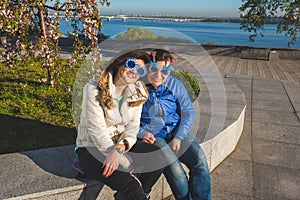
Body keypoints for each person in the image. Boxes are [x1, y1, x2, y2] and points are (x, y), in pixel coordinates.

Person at [75, 50, 164, 200]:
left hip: (120, 144)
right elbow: (97, 132)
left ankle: (140, 194)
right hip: (92, 149)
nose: (134, 71)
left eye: (140, 69)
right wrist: (127, 164)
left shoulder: (138, 92)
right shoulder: (93, 89)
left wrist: (121, 148)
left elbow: (133, 127)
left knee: (158, 158)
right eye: (131, 64)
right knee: (131, 185)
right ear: (119, 63)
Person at [138, 49, 211, 200]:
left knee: (200, 163)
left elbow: (188, 111)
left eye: (164, 70)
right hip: (153, 137)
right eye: (153, 69)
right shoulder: (138, 87)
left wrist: (179, 136)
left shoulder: (175, 85)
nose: (159, 75)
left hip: (176, 132)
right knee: (177, 172)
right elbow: (128, 120)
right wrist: (142, 133)